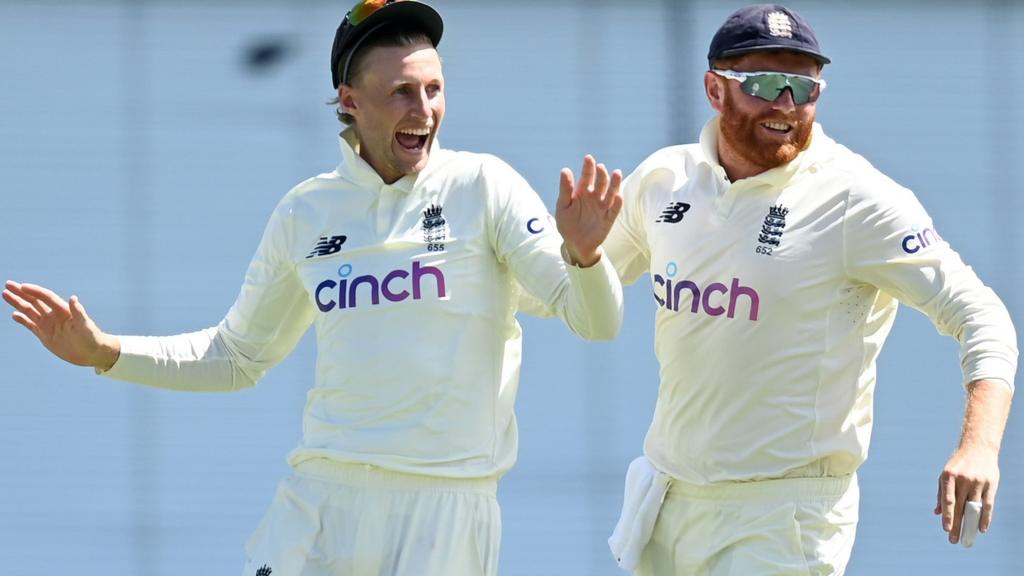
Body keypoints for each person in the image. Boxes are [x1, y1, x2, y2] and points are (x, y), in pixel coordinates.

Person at [2, 1, 625, 575]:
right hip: (323, 500)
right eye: (401, 92)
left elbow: (595, 322)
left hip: (446, 510)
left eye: (434, 90)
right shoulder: (307, 213)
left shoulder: (483, 186)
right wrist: (105, 353)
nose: (424, 110)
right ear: (350, 100)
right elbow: (237, 357)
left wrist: (586, 254)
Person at [602, 4, 1016, 575]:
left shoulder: (857, 198)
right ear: (714, 89)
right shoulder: (665, 178)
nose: (787, 105)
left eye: (804, 87)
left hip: (784, 517)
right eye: (767, 84)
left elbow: (982, 315)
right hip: (669, 500)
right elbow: (578, 285)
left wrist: (979, 447)